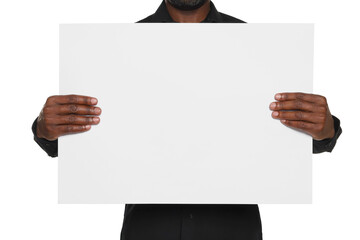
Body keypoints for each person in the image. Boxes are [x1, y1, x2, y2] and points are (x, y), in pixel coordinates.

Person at [32, 0, 342, 239]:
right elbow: (85, 142)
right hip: (148, 231)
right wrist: (45, 128)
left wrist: (325, 129)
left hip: (234, 232)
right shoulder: (112, 50)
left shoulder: (262, 48)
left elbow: (285, 138)